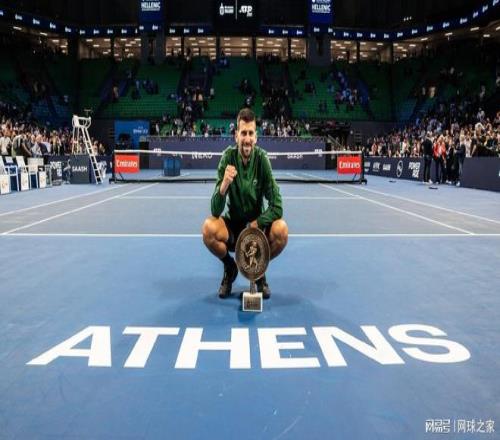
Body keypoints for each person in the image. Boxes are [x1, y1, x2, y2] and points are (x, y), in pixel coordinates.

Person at [202, 108, 288, 299]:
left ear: (256, 137)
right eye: (243, 133)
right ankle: (230, 267)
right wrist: (224, 185)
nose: (247, 139)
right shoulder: (227, 157)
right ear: (236, 136)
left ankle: (259, 270)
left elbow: (277, 206)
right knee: (209, 229)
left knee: (281, 231)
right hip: (233, 227)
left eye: (250, 133)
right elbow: (215, 210)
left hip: (257, 229)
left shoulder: (262, 160)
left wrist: (257, 223)